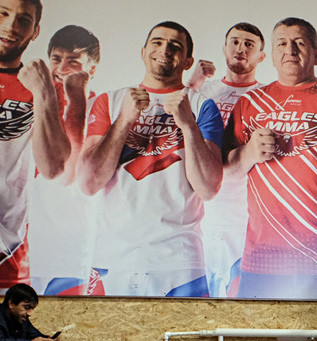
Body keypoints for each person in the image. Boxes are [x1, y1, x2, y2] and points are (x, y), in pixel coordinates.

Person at [223, 17, 317, 300]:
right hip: (263, 258)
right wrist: (249, 153)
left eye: (299, 43)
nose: (290, 50)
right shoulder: (249, 103)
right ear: (271, 55)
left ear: (316, 55)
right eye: (282, 43)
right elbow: (225, 174)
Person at [79, 21, 223, 297]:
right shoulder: (111, 101)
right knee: (105, 340)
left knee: (185, 340)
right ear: (144, 51)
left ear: (187, 60)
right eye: (157, 42)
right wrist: (124, 120)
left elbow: (208, 187)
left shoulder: (202, 106)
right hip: (114, 257)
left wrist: (188, 124)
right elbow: (89, 182)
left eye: (175, 46)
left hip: (179, 260)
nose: (164, 49)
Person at [192, 23, 267, 298]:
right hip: (204, 215)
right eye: (235, 41)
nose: (241, 48)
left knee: (242, 301)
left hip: (248, 215)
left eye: (249, 44)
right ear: (225, 48)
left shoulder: (267, 96)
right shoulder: (203, 92)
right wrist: (192, 82)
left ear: (261, 56)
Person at [0, 0, 70, 289]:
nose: (11, 26)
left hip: (8, 252)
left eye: (23, 20)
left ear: (35, 30)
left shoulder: (44, 85)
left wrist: (42, 92)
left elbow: (53, 166)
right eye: (3, 14)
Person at [26, 23, 100, 295]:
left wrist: (77, 101)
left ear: (91, 70)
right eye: (56, 59)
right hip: (26, 248)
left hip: (72, 250)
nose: (62, 68)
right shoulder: (32, 105)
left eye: (73, 61)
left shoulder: (99, 108)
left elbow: (71, 172)